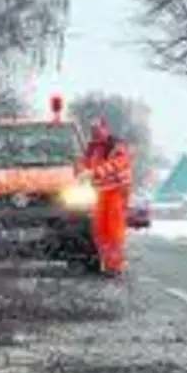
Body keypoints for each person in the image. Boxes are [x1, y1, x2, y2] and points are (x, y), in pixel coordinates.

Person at [81, 117, 133, 275]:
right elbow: (84, 164)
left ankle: (115, 265)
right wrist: (80, 172)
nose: (95, 133)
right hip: (101, 193)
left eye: (98, 129)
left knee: (113, 230)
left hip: (116, 192)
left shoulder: (116, 146)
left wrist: (93, 172)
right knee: (100, 230)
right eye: (93, 130)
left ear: (105, 129)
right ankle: (107, 262)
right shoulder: (92, 149)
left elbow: (117, 164)